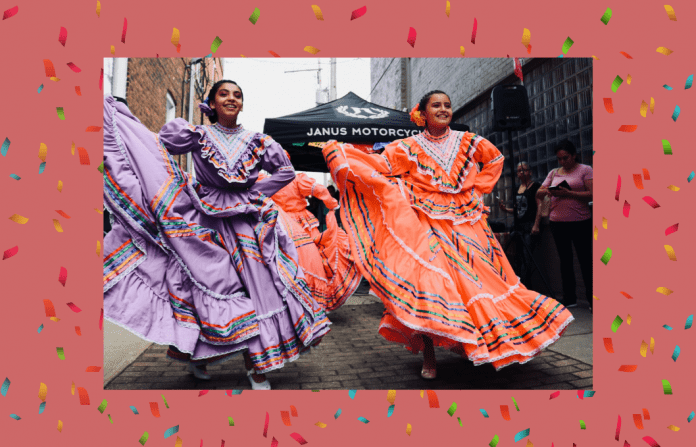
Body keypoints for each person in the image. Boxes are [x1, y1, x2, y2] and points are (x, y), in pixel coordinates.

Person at [322, 90, 574, 379]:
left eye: (447, 105)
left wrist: (477, 189)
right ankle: (429, 358)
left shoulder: (468, 141)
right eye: (436, 105)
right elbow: (382, 167)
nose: (443, 109)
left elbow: (494, 159)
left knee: (480, 284)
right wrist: (345, 155)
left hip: (468, 225)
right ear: (423, 113)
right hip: (426, 224)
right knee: (430, 286)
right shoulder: (407, 147)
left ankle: (478, 343)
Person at [103, 80, 330, 390]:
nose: (232, 99)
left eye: (237, 95)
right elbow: (158, 147)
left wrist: (252, 193)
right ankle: (198, 358)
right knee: (206, 287)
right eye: (224, 94)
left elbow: (286, 172)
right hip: (203, 222)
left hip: (246, 225)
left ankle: (258, 369)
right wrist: (124, 126)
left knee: (258, 291)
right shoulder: (198, 135)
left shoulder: (257, 141)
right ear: (212, 102)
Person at [263, 167, 361, 311]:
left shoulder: (266, 181)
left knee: (282, 259)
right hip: (300, 223)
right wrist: (331, 203)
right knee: (315, 255)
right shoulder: (296, 179)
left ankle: (289, 300)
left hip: (280, 222)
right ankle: (310, 299)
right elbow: (319, 190)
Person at [536, 140, 593, 311]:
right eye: (559, 159)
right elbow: (539, 192)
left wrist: (569, 193)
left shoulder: (585, 170)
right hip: (557, 223)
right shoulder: (554, 173)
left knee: (585, 260)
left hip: (580, 221)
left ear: (574, 155)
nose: (562, 162)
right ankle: (570, 298)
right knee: (565, 261)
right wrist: (549, 190)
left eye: (565, 158)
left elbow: (592, 194)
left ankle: (592, 299)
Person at [498, 161, 543, 286]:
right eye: (518, 170)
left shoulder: (535, 186)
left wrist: (536, 225)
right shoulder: (517, 188)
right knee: (516, 256)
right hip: (518, 227)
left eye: (523, 169)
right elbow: (518, 210)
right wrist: (505, 209)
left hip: (529, 226)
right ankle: (516, 284)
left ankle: (526, 285)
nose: (520, 172)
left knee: (527, 257)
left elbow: (540, 206)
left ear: (530, 172)